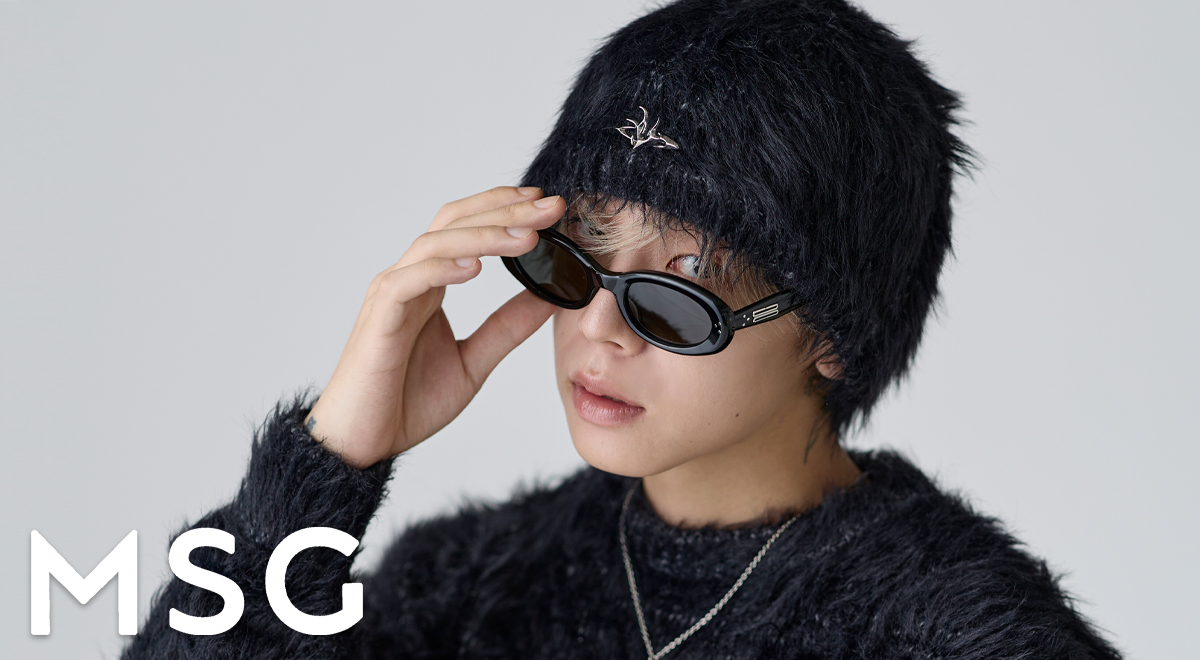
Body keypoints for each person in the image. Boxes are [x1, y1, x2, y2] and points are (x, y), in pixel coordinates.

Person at [121, 1, 1124, 658]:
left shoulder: (958, 634)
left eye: (679, 292)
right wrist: (328, 466)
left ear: (832, 333)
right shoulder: (468, 585)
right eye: (575, 255)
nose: (598, 327)